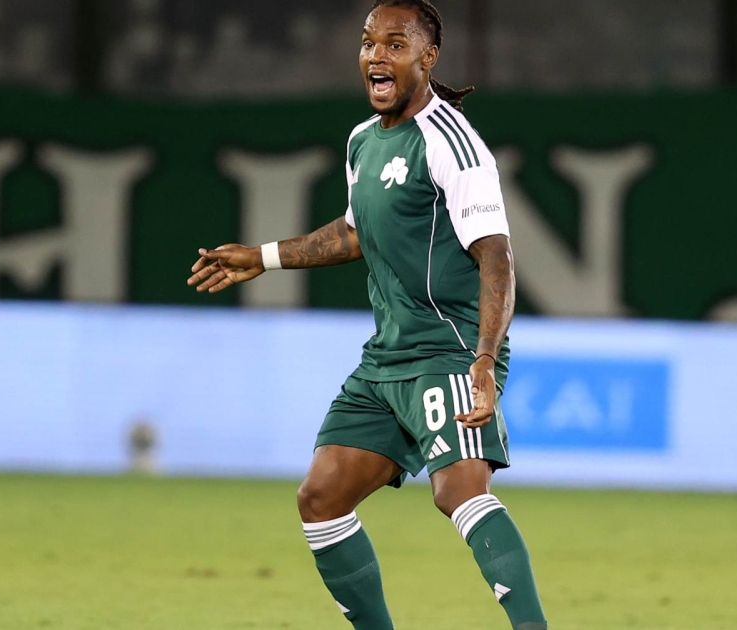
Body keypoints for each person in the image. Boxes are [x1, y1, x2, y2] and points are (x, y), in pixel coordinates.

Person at [187, 1, 547, 628]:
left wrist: (485, 358)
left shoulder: (454, 144)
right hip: (387, 358)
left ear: (428, 57)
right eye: (368, 43)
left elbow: (497, 258)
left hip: (449, 349)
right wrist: (263, 257)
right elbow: (355, 233)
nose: (377, 56)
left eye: (395, 44)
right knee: (321, 496)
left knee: (458, 491)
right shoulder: (362, 141)